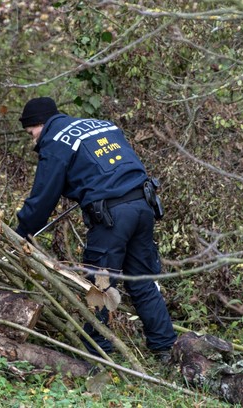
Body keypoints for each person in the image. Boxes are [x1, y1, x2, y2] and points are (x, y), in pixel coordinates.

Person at [14, 96, 176, 360]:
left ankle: (96, 353)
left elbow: (42, 198)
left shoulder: (56, 141)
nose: (32, 140)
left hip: (112, 218)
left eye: (30, 133)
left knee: (100, 285)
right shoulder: (102, 126)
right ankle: (166, 348)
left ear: (39, 124)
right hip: (143, 205)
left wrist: (21, 233)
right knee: (142, 280)